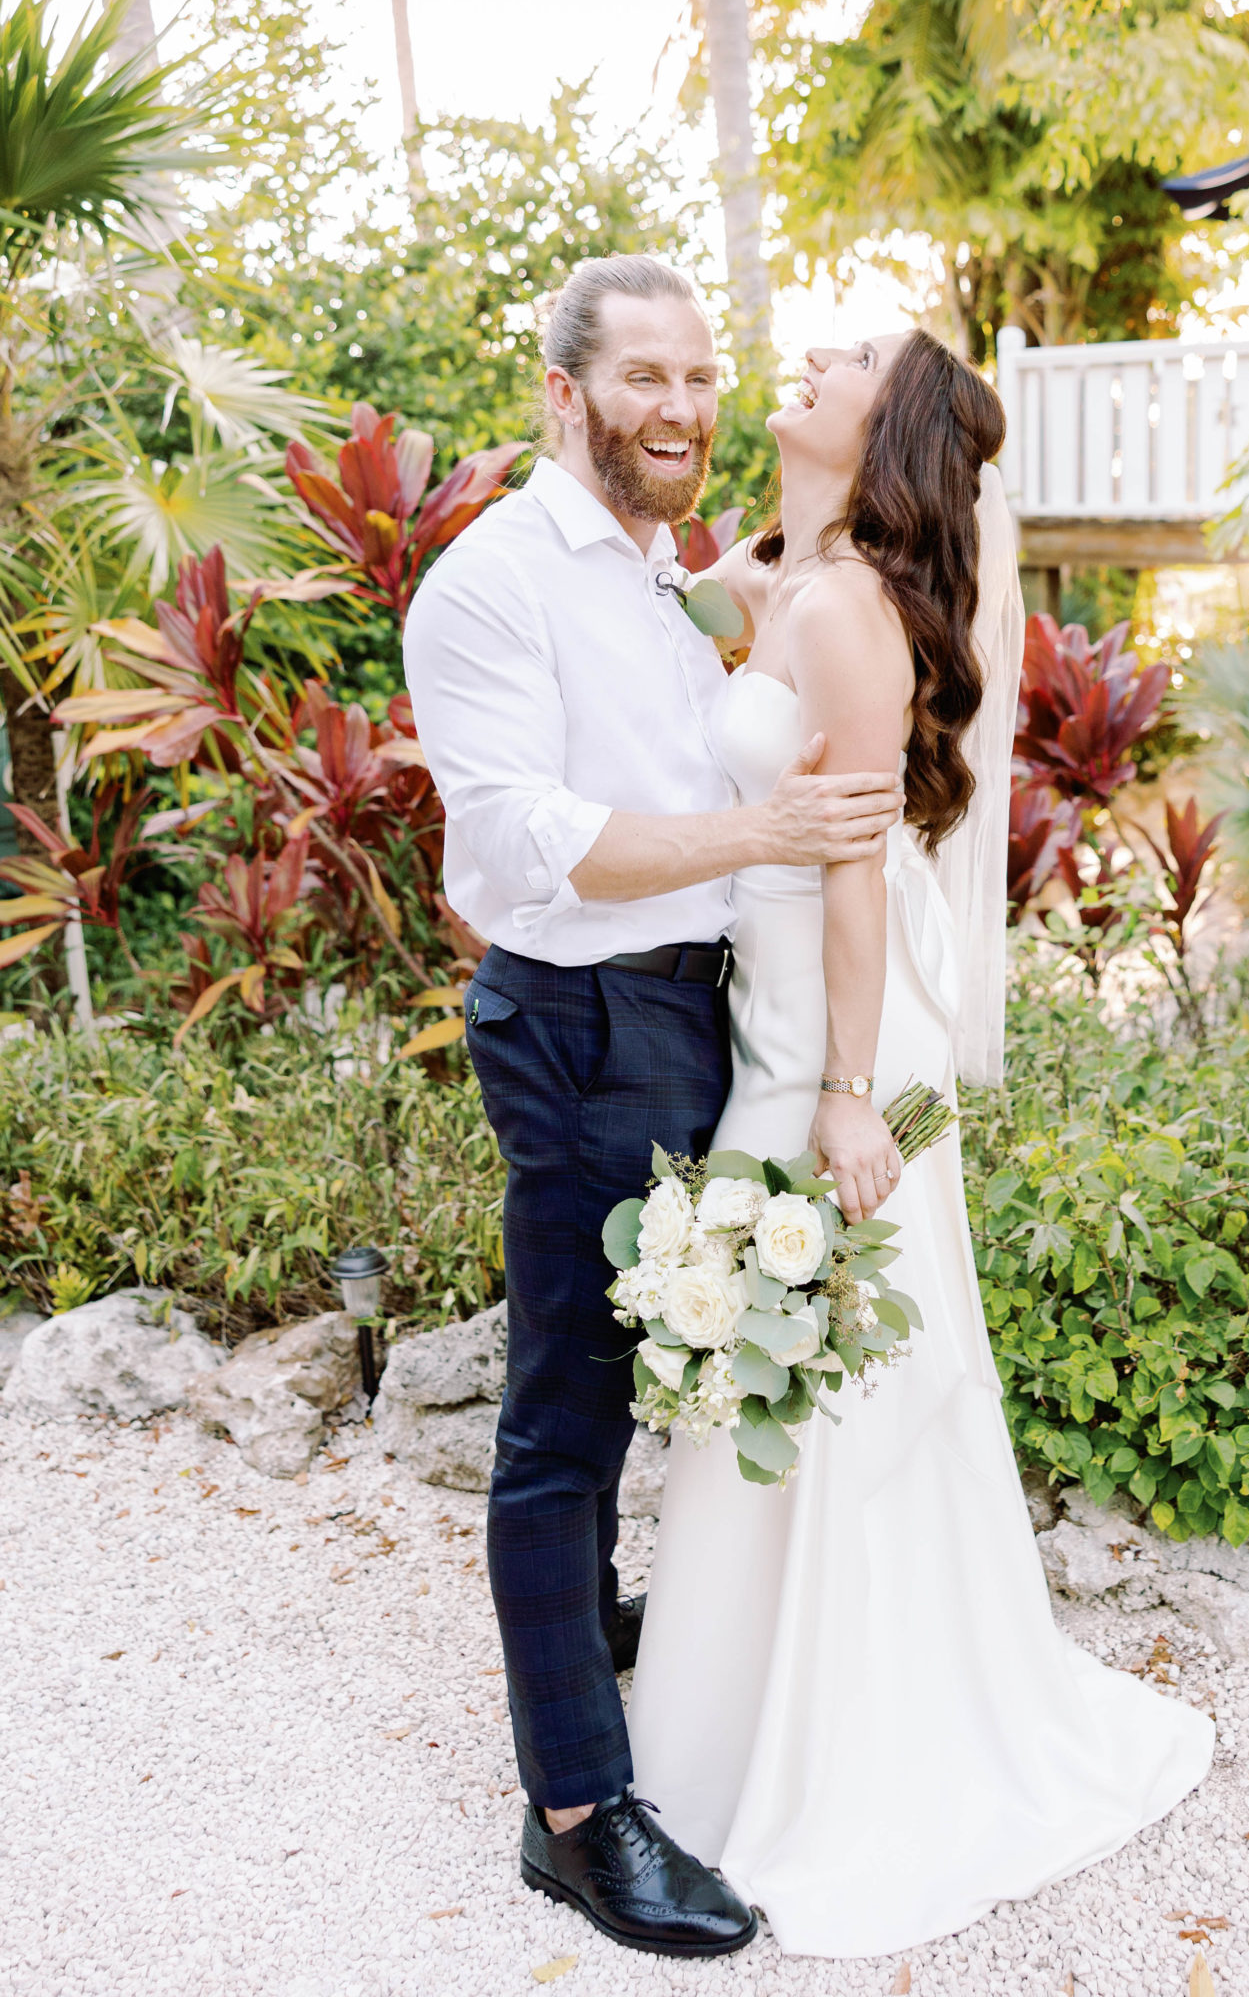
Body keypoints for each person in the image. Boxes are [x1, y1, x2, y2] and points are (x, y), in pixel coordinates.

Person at [624, 328, 1214, 1958]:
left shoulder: (852, 611)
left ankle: (858, 1733)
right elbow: (720, 625)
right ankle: (727, 1723)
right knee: (774, 1343)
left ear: (887, 431)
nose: (807, 356)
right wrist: (754, 552)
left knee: (830, 1349)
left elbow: (858, 870)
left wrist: (841, 1091)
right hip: (776, 1004)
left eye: (852, 357)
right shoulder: (800, 581)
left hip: (832, 1017)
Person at [402, 254, 907, 1960]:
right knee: (566, 1413)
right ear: (564, 396)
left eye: (701, 378)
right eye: (644, 382)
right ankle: (576, 1817)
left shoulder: (670, 571)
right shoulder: (489, 588)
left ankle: (604, 1626)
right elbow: (529, 841)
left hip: (698, 1015)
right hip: (576, 1018)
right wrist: (767, 843)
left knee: (665, 1362)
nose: (684, 409)